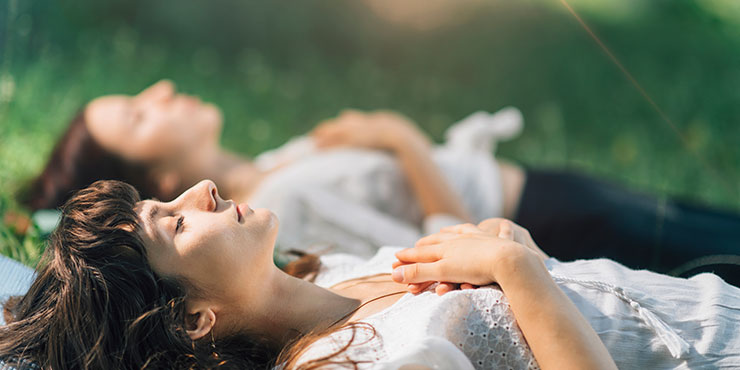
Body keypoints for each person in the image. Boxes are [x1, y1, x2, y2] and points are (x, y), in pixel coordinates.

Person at [23, 80, 740, 282]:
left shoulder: (274, 160)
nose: (162, 89)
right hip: (550, 221)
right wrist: (398, 134)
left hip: (546, 186)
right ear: (163, 177)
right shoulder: (279, 204)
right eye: (140, 116)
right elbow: (441, 249)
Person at [2, 179, 739, 369]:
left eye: (163, 201)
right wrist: (517, 270)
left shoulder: (339, 275)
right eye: (175, 223)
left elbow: (486, 259)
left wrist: (503, 242)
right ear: (193, 319)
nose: (197, 193)